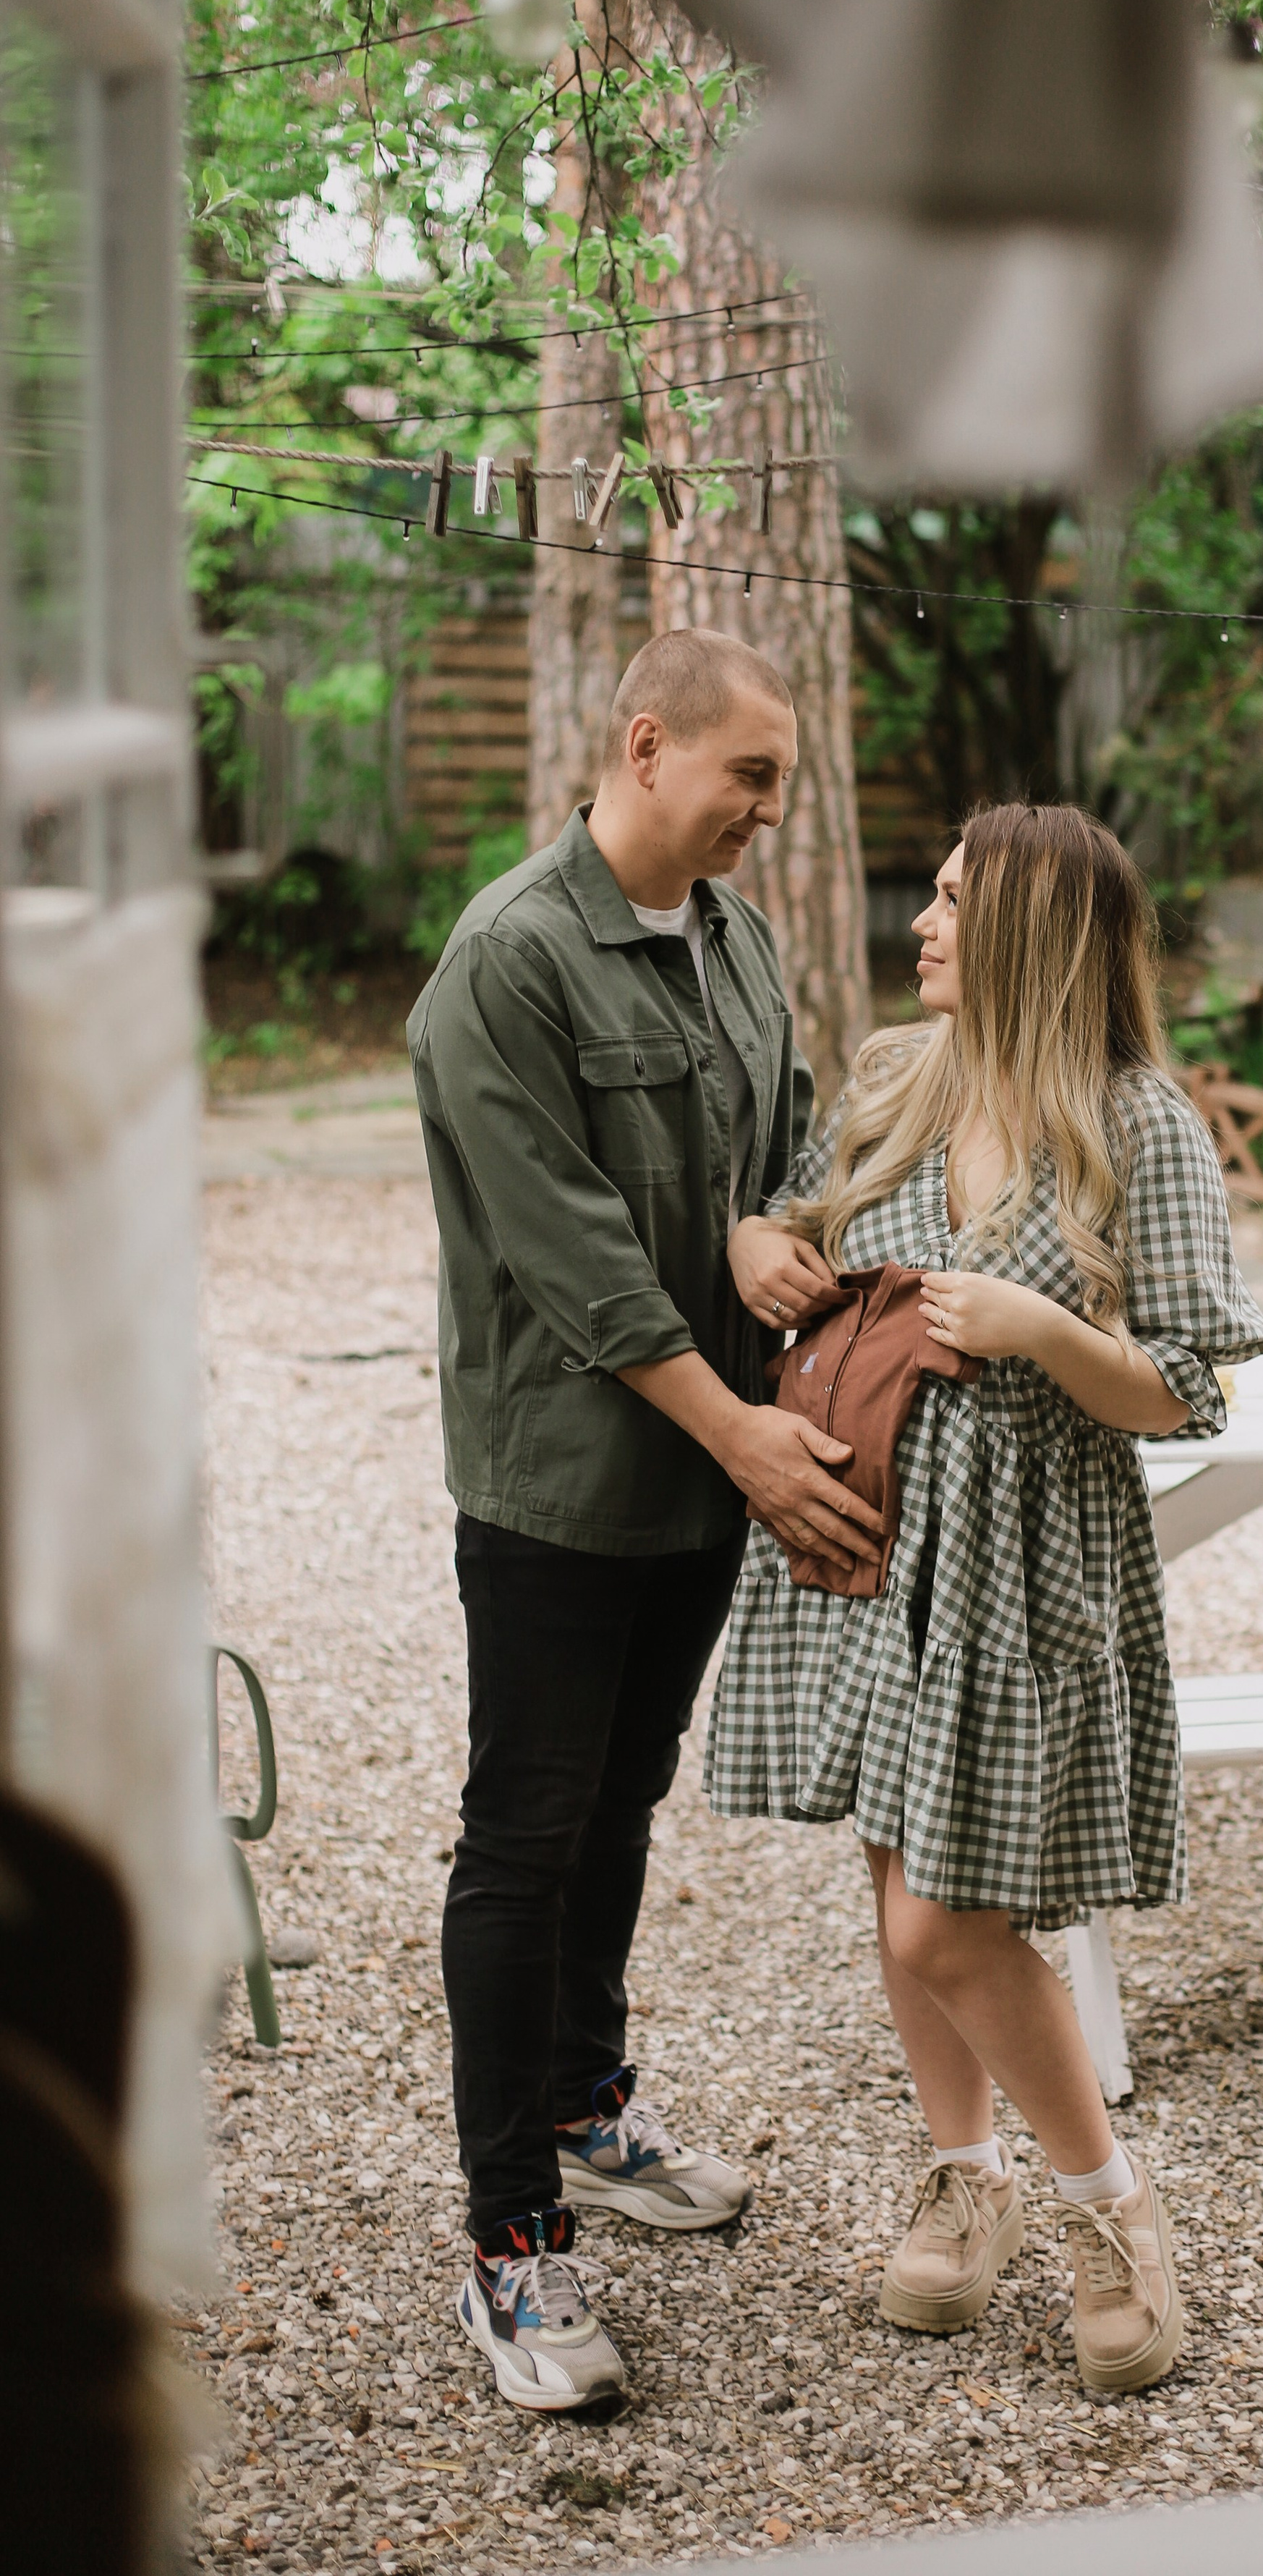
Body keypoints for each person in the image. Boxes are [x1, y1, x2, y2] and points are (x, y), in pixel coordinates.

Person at [707, 802, 1263, 2395]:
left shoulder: (1137, 1124)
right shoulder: (901, 1075)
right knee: (900, 1877)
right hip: (881, 1529)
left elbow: (1181, 1392)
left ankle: (1108, 2207)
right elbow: (811, 1231)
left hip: (1030, 1550)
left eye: (954, 903)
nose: (923, 924)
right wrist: (759, 1235)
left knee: (950, 1913)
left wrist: (1045, 1330)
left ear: (1031, 930)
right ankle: (965, 2178)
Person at [408, 627, 885, 2412]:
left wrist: (775, 1219)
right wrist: (750, 1440)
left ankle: (589, 2105)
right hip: (563, 1482)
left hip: (702, 1476)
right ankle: (511, 2243)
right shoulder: (507, 963)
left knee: (620, 1804)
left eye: (780, 781)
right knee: (523, 1835)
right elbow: (577, 1263)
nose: (773, 809)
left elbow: (790, 1131)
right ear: (643, 744)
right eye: (751, 775)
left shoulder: (740, 937)